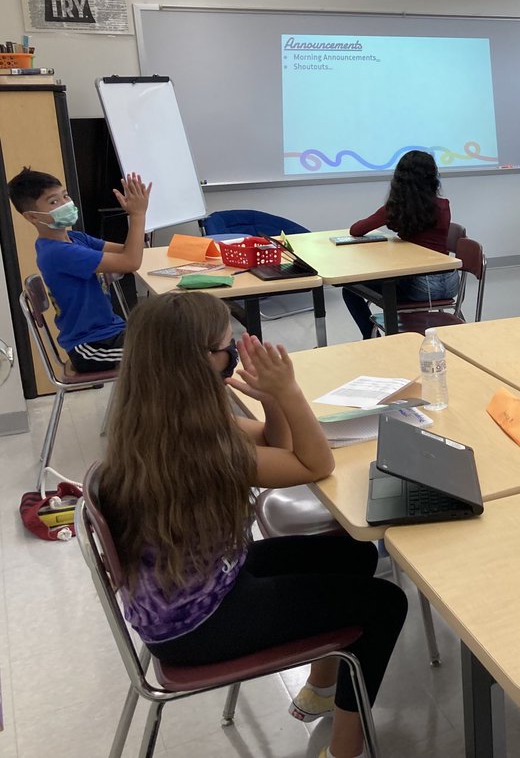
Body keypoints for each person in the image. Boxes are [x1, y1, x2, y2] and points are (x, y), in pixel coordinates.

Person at [96, 293, 406, 758]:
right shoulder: (199, 450)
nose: (237, 352)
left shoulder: (160, 418)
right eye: (228, 346)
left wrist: (269, 402)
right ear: (198, 361)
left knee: (354, 551)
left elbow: (275, 443)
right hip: (199, 623)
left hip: (197, 585)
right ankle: (344, 752)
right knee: (386, 604)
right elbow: (313, 463)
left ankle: (322, 688)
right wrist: (289, 392)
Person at [7, 167, 151, 371]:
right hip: (92, 346)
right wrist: (138, 215)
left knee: (175, 335)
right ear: (32, 217)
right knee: (169, 351)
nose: (66, 204)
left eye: (65, 196)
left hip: (111, 333)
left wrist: (137, 215)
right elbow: (131, 262)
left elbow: (129, 251)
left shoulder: (75, 239)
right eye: (54, 202)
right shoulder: (57, 253)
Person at [341, 150, 459, 339]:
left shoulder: (396, 208)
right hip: (451, 283)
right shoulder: (443, 206)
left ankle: (371, 338)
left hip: (420, 287)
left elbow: (356, 230)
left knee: (350, 289)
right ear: (433, 177)